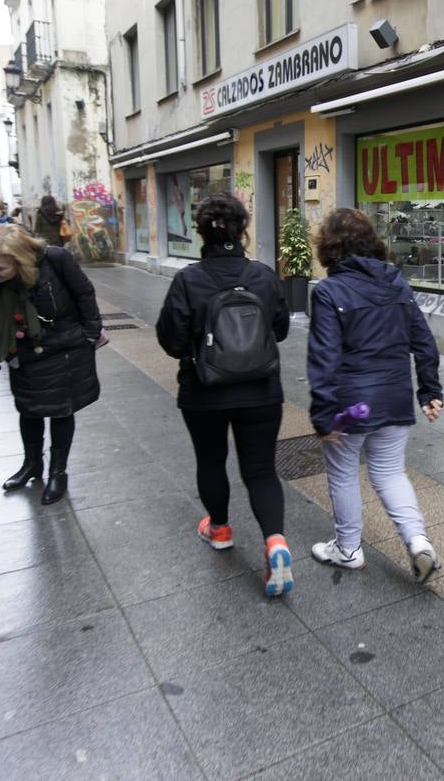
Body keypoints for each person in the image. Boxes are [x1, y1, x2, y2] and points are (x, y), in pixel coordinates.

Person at [155, 193, 294, 596]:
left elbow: (171, 340)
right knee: (262, 471)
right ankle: (275, 543)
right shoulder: (264, 276)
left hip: (204, 393)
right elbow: (281, 330)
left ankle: (219, 529)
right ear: (242, 229)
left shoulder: (188, 279)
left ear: (200, 232)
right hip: (262, 391)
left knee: (211, 460)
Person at [307, 207, 444, 583]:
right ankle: (418, 543)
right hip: (395, 397)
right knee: (389, 472)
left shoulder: (329, 291)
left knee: (342, 471)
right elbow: (423, 340)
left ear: (328, 247)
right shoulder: (395, 282)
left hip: (351, 405)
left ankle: (348, 548)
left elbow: (323, 357)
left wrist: (322, 414)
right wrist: (429, 389)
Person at [0, 223, 103, 505]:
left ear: (19, 261)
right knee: (28, 407)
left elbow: (84, 293)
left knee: (61, 409)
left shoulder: (56, 259)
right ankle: (32, 464)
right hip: (23, 350)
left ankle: (59, 472)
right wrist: (7, 348)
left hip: (65, 347)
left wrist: (89, 333)